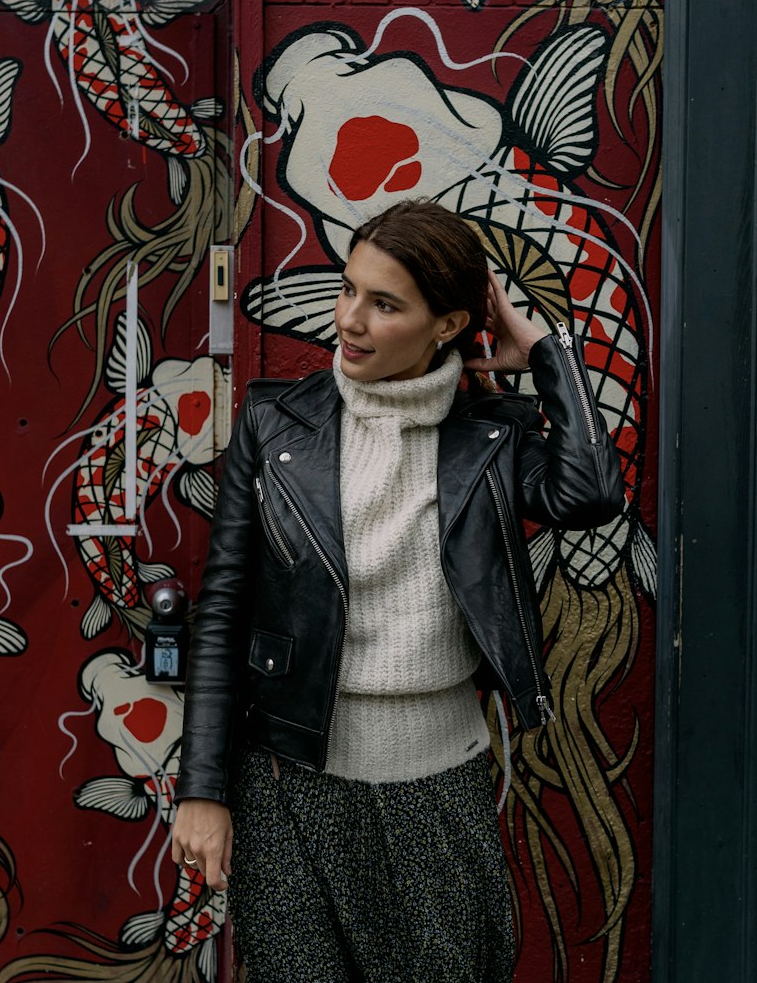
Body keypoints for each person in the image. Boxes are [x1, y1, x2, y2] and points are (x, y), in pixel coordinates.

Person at [171, 200, 623, 982]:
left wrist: (546, 350)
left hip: (437, 792)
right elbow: (222, 613)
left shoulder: (492, 433)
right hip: (287, 787)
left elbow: (587, 495)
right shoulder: (273, 424)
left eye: (385, 304)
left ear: (447, 323)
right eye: (349, 290)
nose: (350, 319)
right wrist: (202, 790)